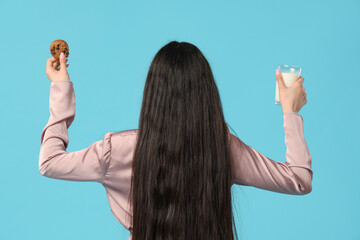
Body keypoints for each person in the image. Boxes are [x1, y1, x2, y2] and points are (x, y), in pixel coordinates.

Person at [39, 41, 312, 240]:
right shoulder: (221, 148)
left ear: (152, 96)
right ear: (207, 95)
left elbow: (50, 162)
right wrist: (291, 112)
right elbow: (299, 180)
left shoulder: (117, 150)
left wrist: (61, 87)